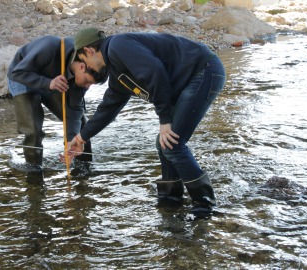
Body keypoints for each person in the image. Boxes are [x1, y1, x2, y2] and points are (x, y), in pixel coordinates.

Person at [66, 28, 226, 216]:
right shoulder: (117, 72)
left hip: (203, 70)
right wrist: (81, 137)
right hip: (189, 81)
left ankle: (205, 204)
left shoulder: (118, 46)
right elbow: (108, 108)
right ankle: (171, 198)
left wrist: (164, 119)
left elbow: (155, 72)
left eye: (85, 63)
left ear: (89, 51)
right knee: (164, 143)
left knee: (172, 144)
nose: (89, 69)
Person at [7, 35, 102, 171]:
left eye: (91, 84)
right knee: (33, 129)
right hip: (22, 77)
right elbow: (18, 73)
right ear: (82, 67)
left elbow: (73, 114)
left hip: (55, 80)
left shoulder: (82, 79)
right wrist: (48, 83)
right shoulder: (49, 47)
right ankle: (34, 173)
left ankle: (84, 170)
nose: (87, 87)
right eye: (87, 81)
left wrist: (71, 143)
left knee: (81, 125)